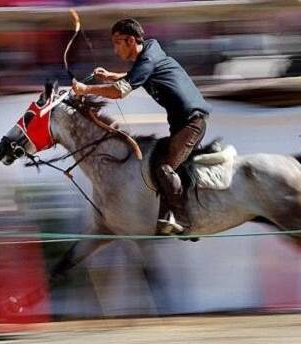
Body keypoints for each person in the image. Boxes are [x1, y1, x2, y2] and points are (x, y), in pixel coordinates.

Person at [72, 18, 211, 236]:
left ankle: (186, 222)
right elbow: (137, 77)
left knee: (164, 169)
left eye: (117, 43)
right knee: (157, 166)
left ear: (130, 40)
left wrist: (86, 90)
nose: (115, 49)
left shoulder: (147, 59)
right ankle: (166, 219)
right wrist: (110, 76)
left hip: (191, 124)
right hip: (182, 125)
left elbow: (120, 91)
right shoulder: (148, 56)